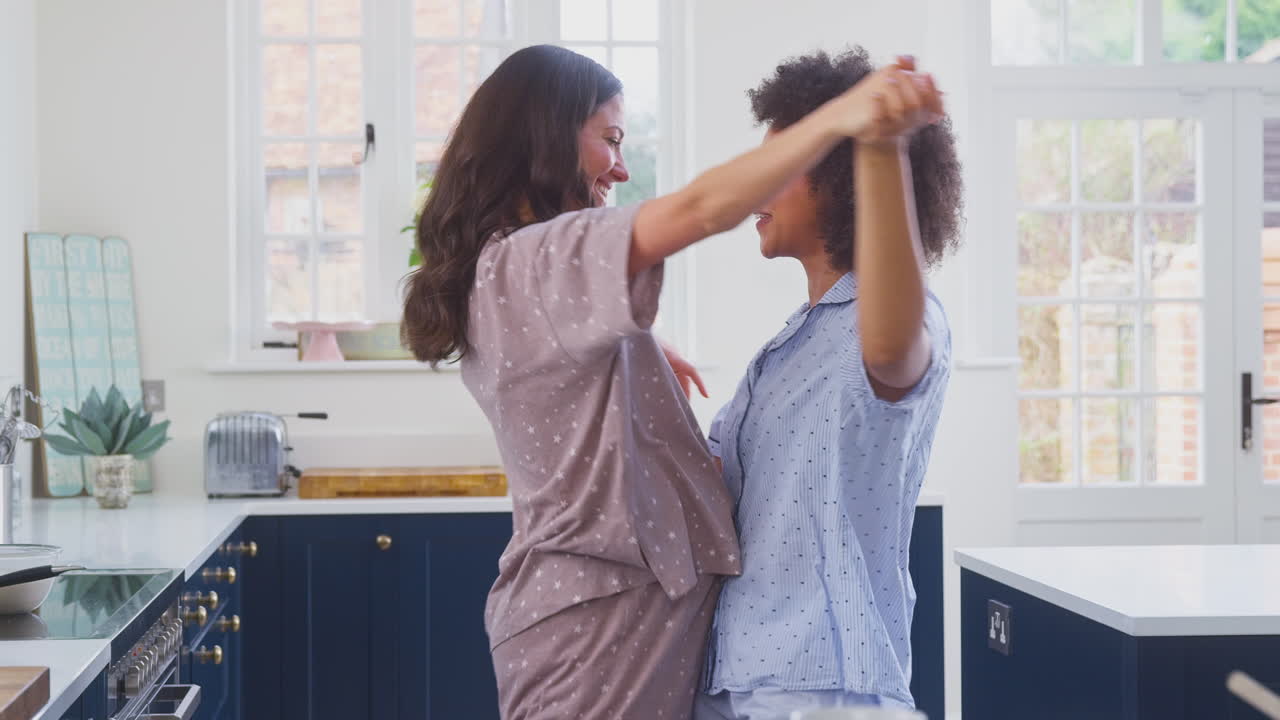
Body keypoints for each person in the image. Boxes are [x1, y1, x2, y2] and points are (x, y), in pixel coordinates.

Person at [400, 43, 944, 720]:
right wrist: (847, 121)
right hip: (598, 636)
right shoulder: (535, 264)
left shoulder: (524, 277)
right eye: (610, 139)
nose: (623, 166)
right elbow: (700, 208)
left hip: (641, 640)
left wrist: (637, 348)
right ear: (544, 135)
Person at [695, 48, 963, 719]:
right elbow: (708, 487)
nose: (758, 188)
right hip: (739, 679)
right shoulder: (784, 348)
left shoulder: (895, 321)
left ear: (839, 180)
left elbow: (891, 346)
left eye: (781, 165)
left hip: (825, 688)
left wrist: (880, 145)